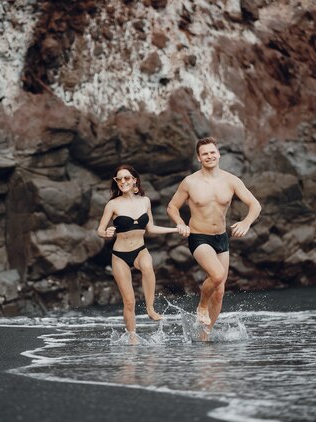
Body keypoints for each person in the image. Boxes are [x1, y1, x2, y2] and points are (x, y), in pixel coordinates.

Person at [167, 137, 261, 334]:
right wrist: (180, 223)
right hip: (199, 237)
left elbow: (255, 205)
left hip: (221, 238)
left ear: (218, 154)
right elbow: (172, 207)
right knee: (217, 275)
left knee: (219, 292)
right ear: (199, 158)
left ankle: (204, 334)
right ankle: (201, 306)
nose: (209, 156)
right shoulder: (190, 182)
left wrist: (245, 222)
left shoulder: (231, 180)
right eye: (205, 154)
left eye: (212, 152)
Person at [97, 163, 180, 342]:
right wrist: (106, 233)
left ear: (134, 180)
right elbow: (100, 230)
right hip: (120, 255)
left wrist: (175, 229)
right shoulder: (112, 205)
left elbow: (150, 227)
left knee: (148, 266)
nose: (123, 181)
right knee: (129, 302)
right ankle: (132, 336)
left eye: (127, 178)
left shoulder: (145, 201)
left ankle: (150, 308)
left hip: (140, 250)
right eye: (119, 179)